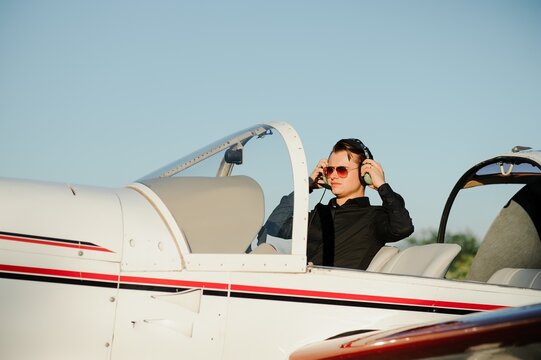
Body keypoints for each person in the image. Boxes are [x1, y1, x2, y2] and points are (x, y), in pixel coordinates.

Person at [253, 138, 414, 270]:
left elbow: (403, 227)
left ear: (363, 174)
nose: (334, 176)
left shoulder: (373, 217)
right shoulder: (318, 215)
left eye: (342, 170)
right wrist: (306, 186)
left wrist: (381, 186)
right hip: (304, 290)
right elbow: (274, 227)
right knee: (265, 252)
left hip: (335, 299)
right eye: (330, 170)